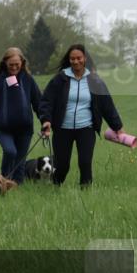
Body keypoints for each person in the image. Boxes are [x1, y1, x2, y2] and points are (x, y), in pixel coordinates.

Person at [39, 44, 125, 187]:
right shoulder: (60, 79)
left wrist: (118, 127)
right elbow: (46, 101)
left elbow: (107, 105)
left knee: (85, 163)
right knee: (62, 165)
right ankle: (54, 188)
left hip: (86, 128)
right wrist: (46, 120)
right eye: (72, 59)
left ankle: (86, 193)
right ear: (69, 60)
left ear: (85, 59)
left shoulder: (95, 81)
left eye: (79, 58)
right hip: (62, 129)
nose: (75, 61)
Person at [0, 47, 43, 184]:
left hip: (25, 130)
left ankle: (18, 188)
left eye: (17, 64)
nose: (14, 67)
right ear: (5, 63)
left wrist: (45, 122)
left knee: (20, 162)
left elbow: (38, 104)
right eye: (11, 64)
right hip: (3, 129)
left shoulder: (28, 80)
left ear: (22, 63)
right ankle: (3, 183)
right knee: (10, 152)